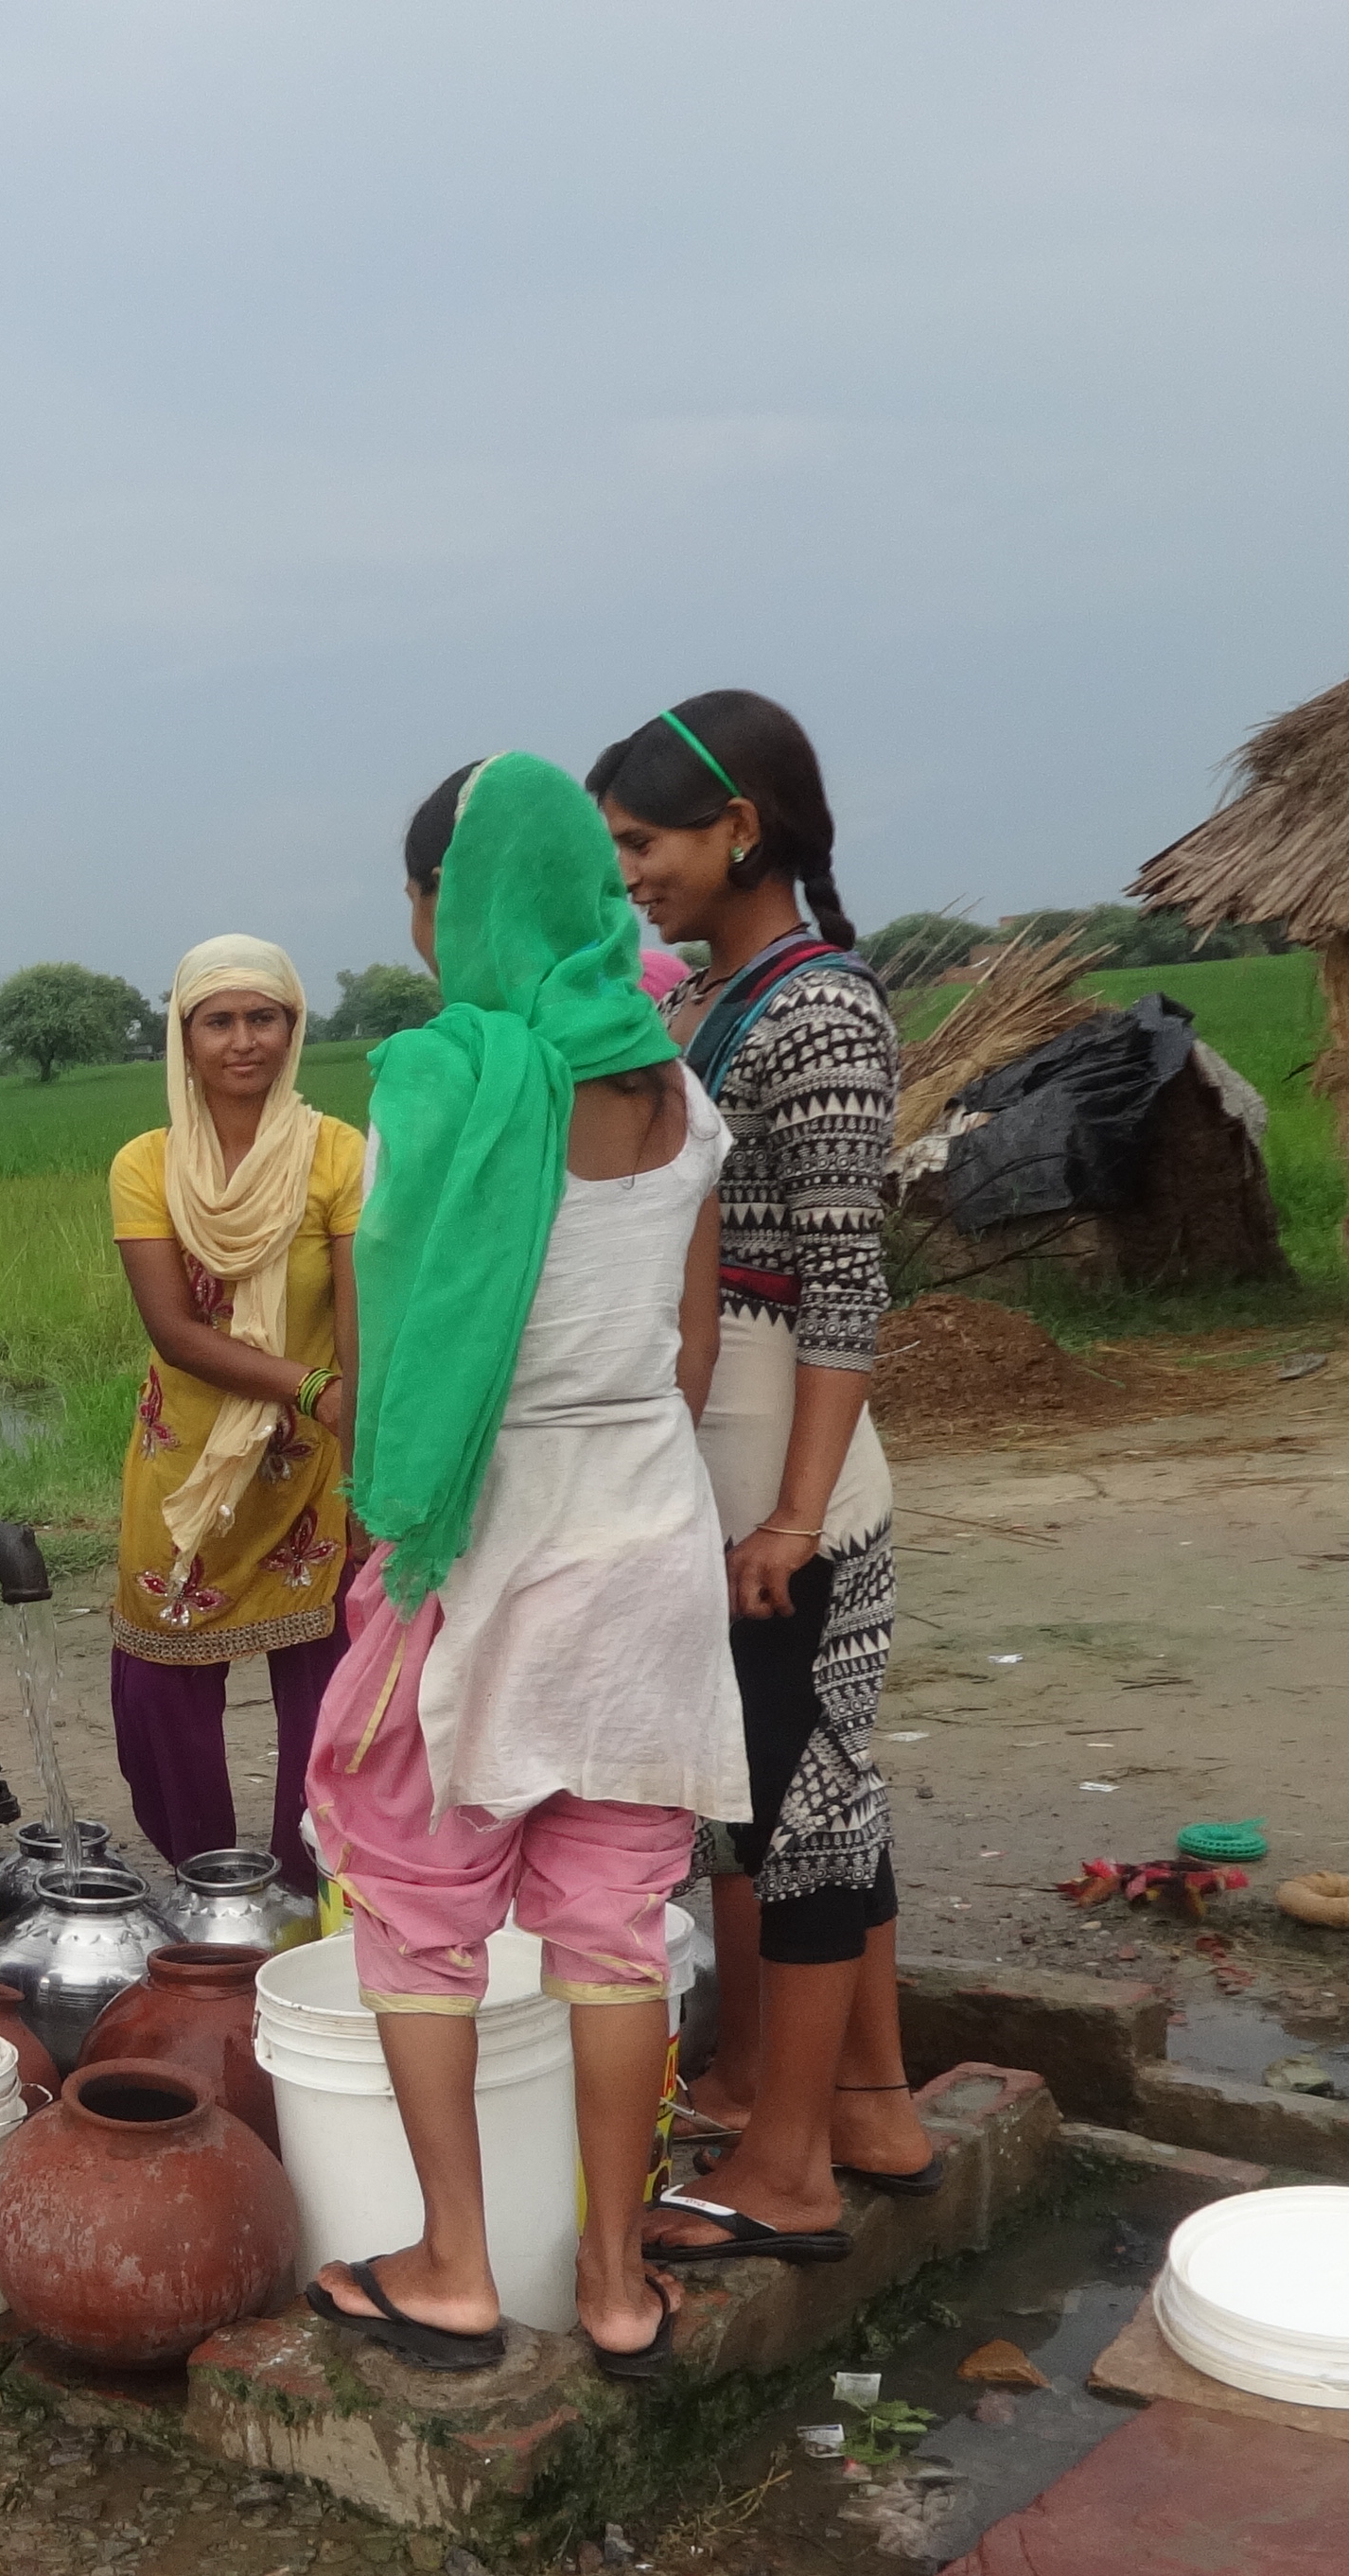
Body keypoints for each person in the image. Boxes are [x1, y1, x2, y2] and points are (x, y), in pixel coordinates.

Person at [299, 756, 750, 2382]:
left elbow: (391, 1347)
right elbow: (688, 1356)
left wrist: (402, 1496)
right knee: (612, 1923)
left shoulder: (444, 1082)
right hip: (649, 1537)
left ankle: (451, 2265)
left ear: (455, 904)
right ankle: (618, 2281)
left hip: (489, 1536)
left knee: (418, 1905)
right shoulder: (680, 1097)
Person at [585, 693, 936, 2269]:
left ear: (740, 829)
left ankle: (792, 2170)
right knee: (809, 1797)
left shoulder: (814, 1015)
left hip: (790, 1485)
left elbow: (844, 1292)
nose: (630, 874)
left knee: (801, 1813)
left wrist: (790, 1513)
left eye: (641, 843)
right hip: (733, 1475)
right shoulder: (719, 1001)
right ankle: (858, 2101)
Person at [105, 937, 362, 1890]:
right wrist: (309, 1387)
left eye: (265, 1019)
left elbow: (357, 1317)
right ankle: (208, 1886)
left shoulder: (338, 1153)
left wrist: (356, 1433)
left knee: (327, 1682)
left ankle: (307, 1888)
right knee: (161, 1682)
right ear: (186, 1037)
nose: (243, 1041)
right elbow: (174, 1330)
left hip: (314, 1462)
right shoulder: (148, 1163)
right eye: (219, 1021)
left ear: (293, 1029)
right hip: (190, 1463)